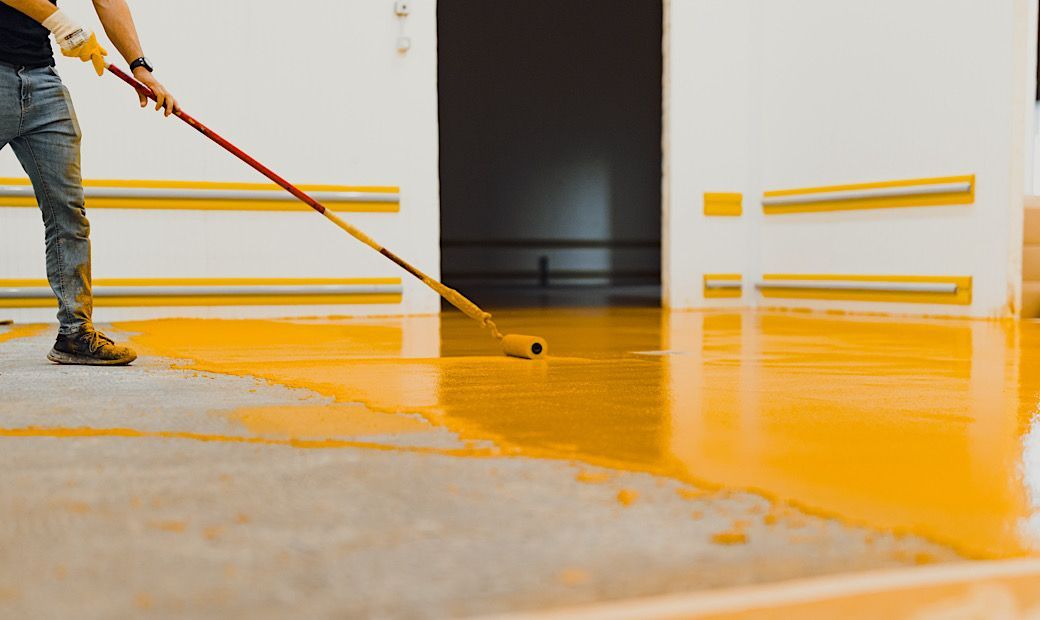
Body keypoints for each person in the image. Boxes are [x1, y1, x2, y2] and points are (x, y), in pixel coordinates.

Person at [0, 0, 178, 365]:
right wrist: (61, 21)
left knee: (68, 212)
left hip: (40, 78)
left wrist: (139, 67)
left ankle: (75, 334)